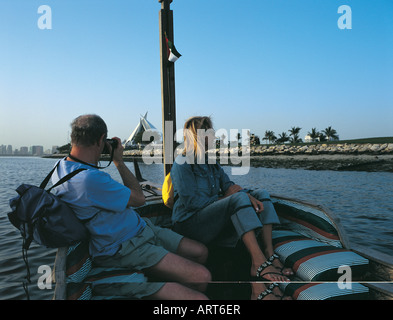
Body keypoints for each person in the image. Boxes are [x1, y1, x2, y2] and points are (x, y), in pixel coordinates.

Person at [51, 114, 211, 300]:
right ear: (102, 139)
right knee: (202, 278)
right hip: (126, 247)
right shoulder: (90, 180)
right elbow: (139, 198)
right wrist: (119, 160)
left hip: (141, 229)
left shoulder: (61, 167)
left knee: (201, 252)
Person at [170, 116, 294, 300]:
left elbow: (228, 185)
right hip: (190, 224)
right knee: (237, 200)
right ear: (197, 136)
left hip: (210, 219)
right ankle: (259, 264)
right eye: (209, 133)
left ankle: (268, 253)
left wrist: (249, 195)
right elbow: (192, 203)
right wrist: (229, 196)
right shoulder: (182, 164)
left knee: (262, 193)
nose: (214, 136)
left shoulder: (211, 163)